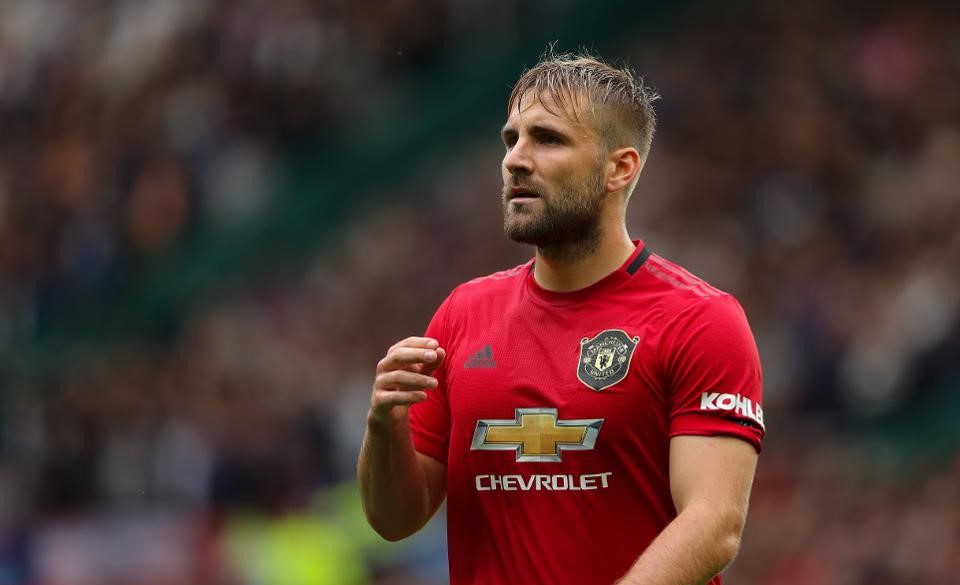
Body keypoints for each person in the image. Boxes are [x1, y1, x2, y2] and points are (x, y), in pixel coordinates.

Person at [358, 50, 764, 585]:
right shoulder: (463, 314)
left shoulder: (699, 320)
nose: (515, 160)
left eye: (547, 139)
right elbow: (393, 522)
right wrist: (384, 425)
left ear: (619, 168)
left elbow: (714, 524)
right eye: (511, 139)